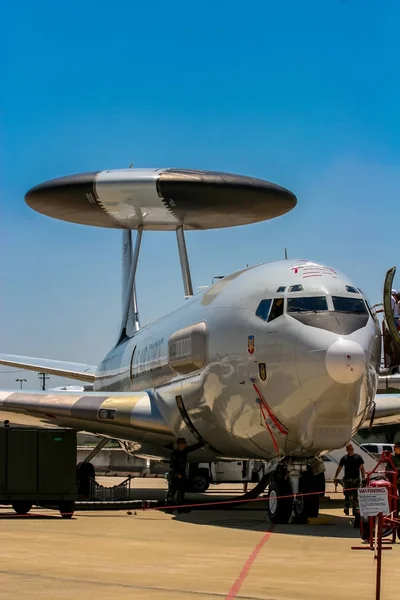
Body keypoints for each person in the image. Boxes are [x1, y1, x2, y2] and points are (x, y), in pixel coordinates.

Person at [165, 438, 204, 511]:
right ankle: (168, 508)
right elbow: (172, 466)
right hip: (174, 476)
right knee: (171, 493)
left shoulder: (184, 451)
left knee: (181, 492)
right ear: (180, 445)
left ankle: (180, 508)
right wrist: (177, 474)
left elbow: (192, 448)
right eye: (184, 444)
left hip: (181, 476)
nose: (185, 445)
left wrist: (202, 443)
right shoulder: (174, 454)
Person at [334, 443, 366, 515]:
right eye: (349, 449)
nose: (351, 450)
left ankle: (355, 509)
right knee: (347, 494)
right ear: (347, 450)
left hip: (356, 479)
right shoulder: (344, 458)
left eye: (351, 448)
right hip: (347, 479)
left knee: (356, 495)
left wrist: (363, 478)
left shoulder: (358, 457)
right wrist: (335, 477)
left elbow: (362, 468)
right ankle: (346, 507)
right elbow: (339, 468)